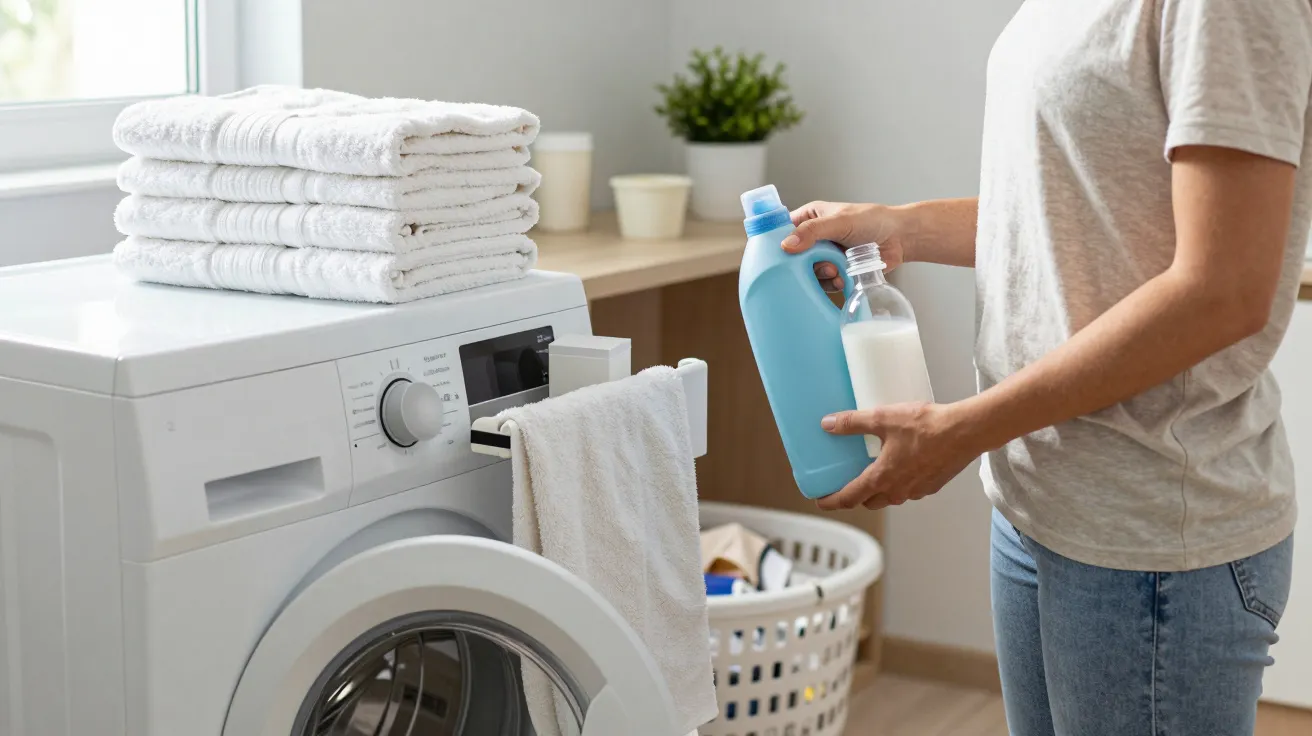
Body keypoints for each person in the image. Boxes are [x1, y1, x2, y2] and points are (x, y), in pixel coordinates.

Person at [783, 2, 1308, 734]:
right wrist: (902, 226)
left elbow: (1223, 289)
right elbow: (1073, 209)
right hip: (1040, 498)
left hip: (1149, 530)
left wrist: (967, 429)